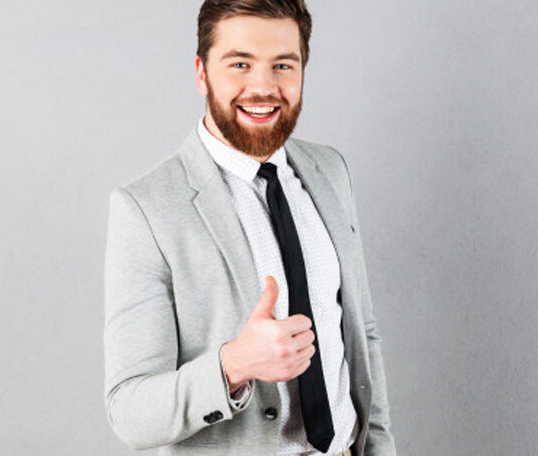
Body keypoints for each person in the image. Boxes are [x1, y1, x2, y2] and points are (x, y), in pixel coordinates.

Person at [103, 1, 396, 455]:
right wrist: (233, 365)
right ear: (202, 73)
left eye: (283, 65)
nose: (262, 87)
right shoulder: (145, 209)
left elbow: (362, 334)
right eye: (240, 64)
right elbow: (130, 411)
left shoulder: (330, 171)